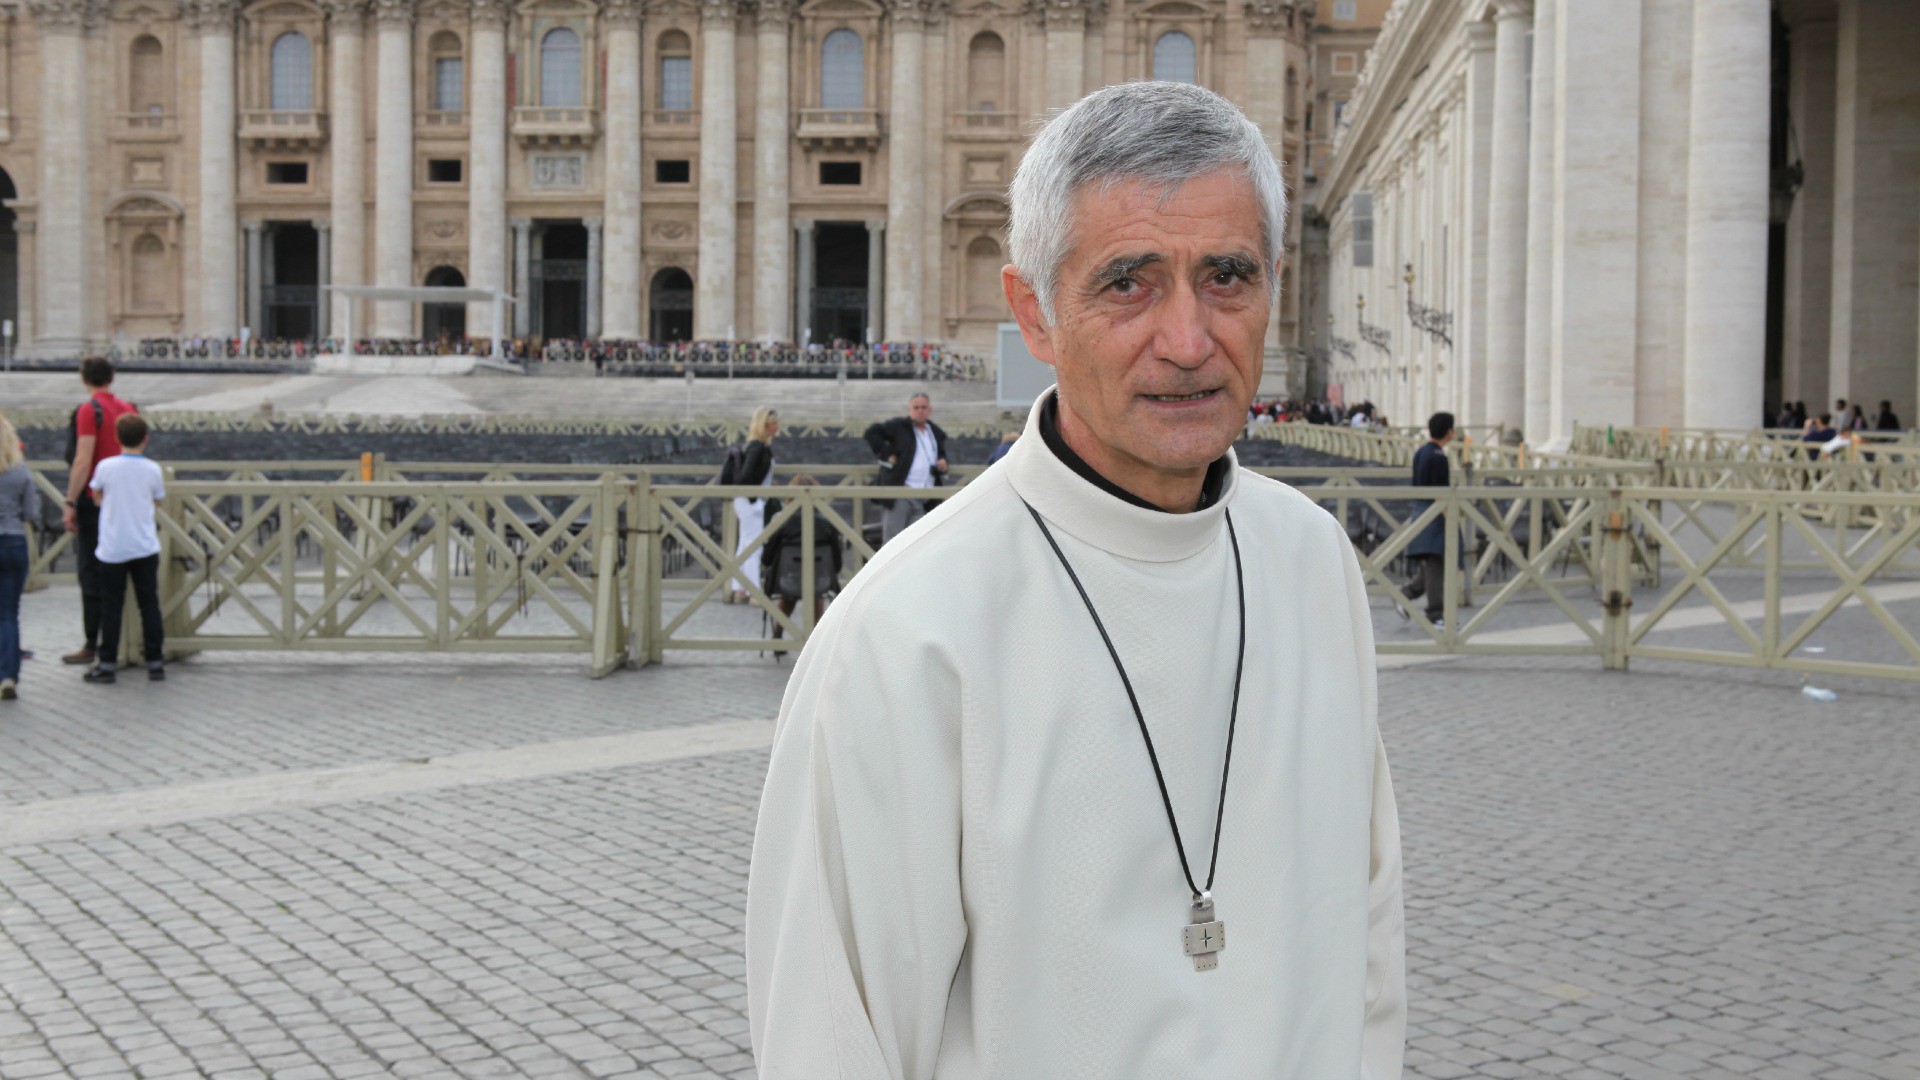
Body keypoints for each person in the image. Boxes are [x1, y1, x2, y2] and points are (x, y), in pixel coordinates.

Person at [748, 82, 1403, 1078]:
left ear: (1274, 283)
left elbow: (1369, 950)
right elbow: (833, 1042)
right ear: (1034, 314)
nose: (1188, 341)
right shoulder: (908, 634)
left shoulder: (1314, 564)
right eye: (1128, 282)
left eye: (1226, 276)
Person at [61, 357, 140, 668]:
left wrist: (69, 501)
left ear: (85, 379)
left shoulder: (88, 410)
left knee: (92, 572)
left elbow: (83, 459)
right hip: (127, 501)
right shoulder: (128, 408)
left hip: (95, 502)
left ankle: (95, 643)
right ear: (112, 377)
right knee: (128, 572)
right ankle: (130, 641)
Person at [84, 413, 167, 685]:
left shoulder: (105, 467)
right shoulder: (153, 469)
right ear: (145, 439)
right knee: (149, 604)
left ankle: (107, 662)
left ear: (116, 438)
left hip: (112, 546)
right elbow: (157, 500)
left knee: (111, 605)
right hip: (144, 544)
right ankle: (155, 661)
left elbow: (96, 497)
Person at [759, 475, 842, 640]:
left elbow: (766, 558)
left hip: (786, 578)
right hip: (821, 580)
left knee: (790, 591)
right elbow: (837, 563)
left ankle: (778, 633)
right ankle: (818, 639)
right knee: (817, 589)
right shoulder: (827, 523)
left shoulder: (781, 521)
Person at [863, 393, 950, 543]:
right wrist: (886, 454)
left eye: (923, 407)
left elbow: (940, 453)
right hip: (901, 492)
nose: (920, 411)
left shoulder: (935, 432)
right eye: (916, 408)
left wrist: (943, 462)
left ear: (930, 410)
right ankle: (889, 567)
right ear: (909, 410)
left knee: (918, 542)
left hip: (925, 495)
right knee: (893, 541)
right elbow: (871, 433)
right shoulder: (899, 426)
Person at [1399, 411, 1454, 628]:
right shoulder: (1439, 457)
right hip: (1434, 514)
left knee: (1431, 563)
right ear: (1449, 432)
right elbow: (1440, 492)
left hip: (1420, 511)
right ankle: (1435, 613)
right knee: (1435, 564)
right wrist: (1449, 518)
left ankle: (1406, 594)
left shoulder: (1421, 452)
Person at [0, 411, 39, 701]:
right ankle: (9, 675)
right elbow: (31, 513)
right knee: (8, 613)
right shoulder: (21, 471)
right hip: (13, 542)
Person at [730, 406, 779, 603]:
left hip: (748, 500)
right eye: (774, 423)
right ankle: (753, 592)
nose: (777, 427)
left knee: (745, 545)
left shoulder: (755, 446)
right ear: (765, 426)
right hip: (751, 500)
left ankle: (739, 588)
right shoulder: (758, 447)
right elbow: (747, 475)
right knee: (753, 546)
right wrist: (759, 489)